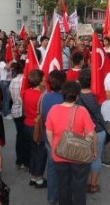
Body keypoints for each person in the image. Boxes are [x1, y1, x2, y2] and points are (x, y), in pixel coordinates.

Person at [46, 81, 96, 205]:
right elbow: (91, 134)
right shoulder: (82, 111)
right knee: (79, 187)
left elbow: (49, 132)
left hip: (59, 154)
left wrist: (54, 147)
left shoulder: (53, 109)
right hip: (79, 155)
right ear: (77, 96)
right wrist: (93, 151)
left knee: (63, 186)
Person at [76, 69, 107, 193]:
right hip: (98, 129)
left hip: (81, 130)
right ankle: (93, 185)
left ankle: (82, 183)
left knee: (81, 158)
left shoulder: (75, 96)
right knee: (96, 157)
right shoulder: (97, 95)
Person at [41, 70, 66, 205]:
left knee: (51, 168)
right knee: (64, 169)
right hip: (62, 138)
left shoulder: (45, 97)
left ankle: (52, 196)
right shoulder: (65, 99)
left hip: (48, 137)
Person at [22, 69, 47, 188]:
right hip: (38, 127)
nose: (45, 80)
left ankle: (33, 176)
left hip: (27, 124)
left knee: (33, 151)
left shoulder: (25, 92)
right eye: (43, 78)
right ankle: (39, 178)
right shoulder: (42, 96)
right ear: (39, 81)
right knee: (41, 152)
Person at [9, 60, 28, 170]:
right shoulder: (25, 81)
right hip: (25, 111)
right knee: (26, 137)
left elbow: (12, 97)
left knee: (20, 135)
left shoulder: (13, 81)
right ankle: (25, 161)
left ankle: (19, 160)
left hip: (16, 111)